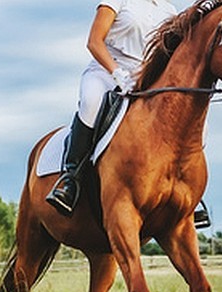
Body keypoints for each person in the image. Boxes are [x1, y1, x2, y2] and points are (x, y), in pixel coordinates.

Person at [46, 0, 178, 215]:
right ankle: (71, 178)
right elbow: (94, 42)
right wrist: (117, 73)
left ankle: (182, 191)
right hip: (107, 70)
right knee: (91, 102)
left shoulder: (169, 10)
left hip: (146, 76)